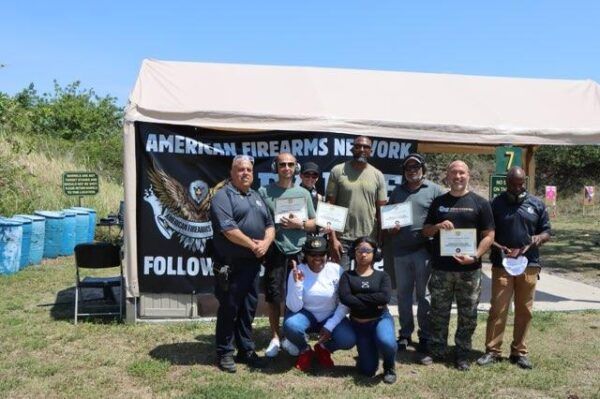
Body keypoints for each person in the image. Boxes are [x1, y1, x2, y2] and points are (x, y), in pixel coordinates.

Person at [421, 160, 495, 370]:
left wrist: (476, 255)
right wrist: (437, 226)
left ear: (468, 175)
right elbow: (425, 231)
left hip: (469, 271)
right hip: (442, 269)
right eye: (453, 173)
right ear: (447, 176)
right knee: (438, 312)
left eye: (461, 173)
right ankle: (437, 351)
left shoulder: (480, 203)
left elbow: (489, 236)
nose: (458, 177)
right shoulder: (439, 202)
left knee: (468, 314)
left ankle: (462, 353)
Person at [477, 166, 551, 369]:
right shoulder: (495, 204)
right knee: (498, 309)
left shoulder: (536, 204)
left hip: (529, 265)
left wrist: (538, 238)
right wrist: (499, 246)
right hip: (503, 265)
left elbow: (546, 231)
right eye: (513, 184)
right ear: (506, 182)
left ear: (524, 182)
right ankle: (492, 351)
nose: (517, 188)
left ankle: (519, 352)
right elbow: (487, 233)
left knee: (524, 310)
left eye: (521, 184)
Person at [210, 154, 275, 373]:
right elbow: (228, 230)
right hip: (231, 265)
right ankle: (224, 353)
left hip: (253, 264)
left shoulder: (256, 196)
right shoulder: (222, 196)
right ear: (231, 173)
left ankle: (246, 350)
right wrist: (253, 245)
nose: (245, 173)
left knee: (248, 309)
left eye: (248, 170)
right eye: (240, 169)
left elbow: (270, 225)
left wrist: (266, 242)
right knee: (230, 308)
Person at [258, 153, 317, 358]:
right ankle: (275, 337)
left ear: (296, 168)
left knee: (298, 295)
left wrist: (298, 224)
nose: (286, 168)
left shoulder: (304, 193)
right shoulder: (265, 192)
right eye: (282, 164)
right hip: (275, 249)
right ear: (276, 167)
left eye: (290, 164)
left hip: (299, 250)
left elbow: (313, 223)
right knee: (274, 296)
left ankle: (291, 336)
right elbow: (259, 221)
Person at [387, 153, 443, 357]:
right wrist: (390, 229)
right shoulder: (397, 191)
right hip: (400, 251)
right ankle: (405, 333)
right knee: (402, 295)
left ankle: (425, 336)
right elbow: (389, 219)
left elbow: (443, 215)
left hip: (424, 252)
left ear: (423, 169)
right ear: (404, 171)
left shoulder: (434, 190)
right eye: (408, 168)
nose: (412, 171)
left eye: (416, 167)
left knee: (424, 296)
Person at [283, 235, 356, 372]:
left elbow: (344, 303)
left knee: (349, 339)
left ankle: (323, 348)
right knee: (290, 325)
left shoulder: (336, 270)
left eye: (321, 253)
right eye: (312, 254)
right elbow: (293, 307)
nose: (317, 257)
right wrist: (297, 284)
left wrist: (330, 325)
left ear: (327, 254)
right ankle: (305, 350)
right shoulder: (298, 270)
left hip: (329, 314)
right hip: (305, 315)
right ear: (306, 255)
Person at [338, 237, 397, 384]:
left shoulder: (383, 276)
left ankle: (389, 366)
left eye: (367, 251)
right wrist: (373, 300)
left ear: (374, 254)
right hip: (359, 326)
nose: (363, 254)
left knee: (388, 342)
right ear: (354, 252)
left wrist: (357, 298)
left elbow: (384, 298)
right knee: (367, 371)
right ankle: (369, 352)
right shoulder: (347, 276)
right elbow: (345, 298)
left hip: (380, 319)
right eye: (359, 250)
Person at [326, 136, 387, 269]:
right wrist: (333, 239)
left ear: (371, 151)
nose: (361, 149)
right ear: (352, 149)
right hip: (342, 238)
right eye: (358, 146)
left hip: (368, 238)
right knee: (341, 280)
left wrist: (380, 240)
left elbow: (382, 210)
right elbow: (329, 206)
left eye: (366, 147)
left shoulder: (378, 175)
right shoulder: (337, 171)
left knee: (364, 282)